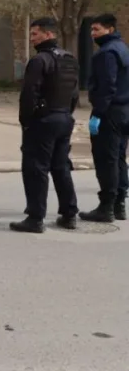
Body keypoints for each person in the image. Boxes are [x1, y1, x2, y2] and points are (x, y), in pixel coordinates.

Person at [9, 17, 80, 233]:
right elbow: (74, 93)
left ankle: (35, 217)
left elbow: (29, 94)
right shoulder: (69, 59)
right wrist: (66, 114)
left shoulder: (40, 60)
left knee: (35, 169)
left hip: (43, 120)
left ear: (48, 34)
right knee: (60, 167)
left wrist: (26, 122)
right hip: (64, 118)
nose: (32, 39)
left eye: (35, 34)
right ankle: (69, 214)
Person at [79, 13, 129, 223]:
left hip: (109, 112)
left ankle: (106, 206)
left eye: (97, 30)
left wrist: (98, 113)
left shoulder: (107, 53)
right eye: (91, 30)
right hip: (124, 110)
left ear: (109, 29)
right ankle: (119, 205)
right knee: (118, 158)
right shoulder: (123, 49)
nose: (93, 34)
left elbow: (107, 86)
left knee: (106, 158)